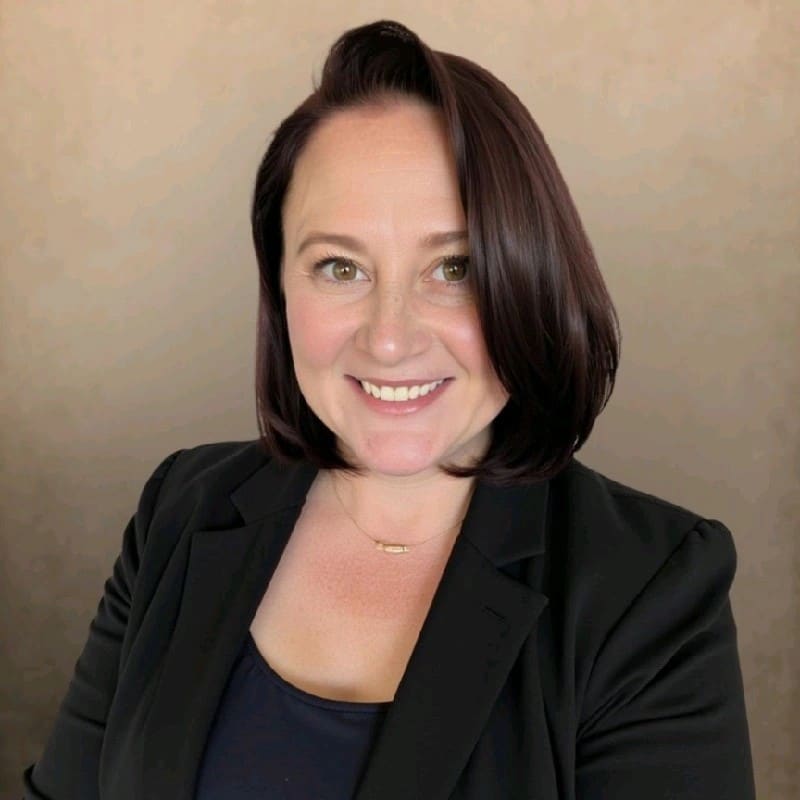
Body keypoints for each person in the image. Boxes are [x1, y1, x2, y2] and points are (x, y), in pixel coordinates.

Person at [22, 18, 756, 800]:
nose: (391, 337)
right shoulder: (180, 509)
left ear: (528, 277)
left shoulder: (650, 590)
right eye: (340, 266)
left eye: (454, 266)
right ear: (279, 289)